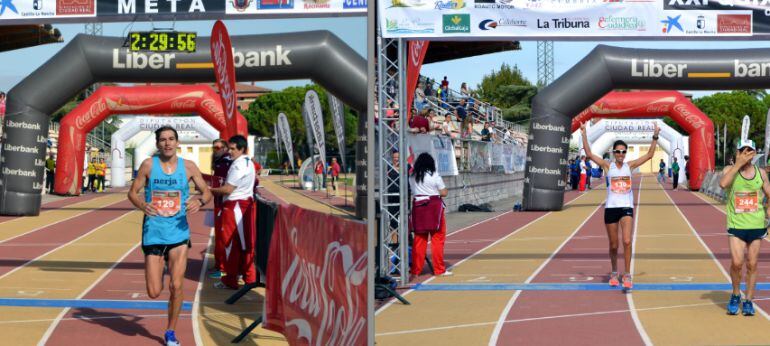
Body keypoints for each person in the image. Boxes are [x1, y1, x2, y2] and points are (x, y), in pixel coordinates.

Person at [127, 126, 212, 346]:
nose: (167, 143)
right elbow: (132, 192)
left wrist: (199, 201)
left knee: (177, 286)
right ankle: (160, 266)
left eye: (171, 139)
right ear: (157, 144)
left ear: (177, 142)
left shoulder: (189, 167)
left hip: (178, 232)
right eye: (163, 140)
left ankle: (171, 332)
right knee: (154, 292)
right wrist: (142, 205)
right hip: (154, 233)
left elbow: (207, 192)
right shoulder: (148, 165)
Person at [581, 122, 659, 290]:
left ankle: (628, 274)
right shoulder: (607, 166)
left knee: (627, 240)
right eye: (618, 151)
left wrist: (655, 135)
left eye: (623, 151)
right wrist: (583, 134)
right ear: (613, 152)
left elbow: (650, 154)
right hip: (610, 209)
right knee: (614, 245)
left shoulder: (629, 166)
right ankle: (614, 272)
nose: (621, 154)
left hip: (626, 208)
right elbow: (588, 153)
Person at [718, 139, 770, 316]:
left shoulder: (761, 173)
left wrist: (768, 209)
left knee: (752, 264)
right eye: (742, 150)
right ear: (738, 152)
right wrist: (737, 164)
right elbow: (723, 184)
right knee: (737, 263)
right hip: (736, 225)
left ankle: (748, 300)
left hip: (756, 224)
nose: (746, 153)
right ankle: (735, 294)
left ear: (754, 153)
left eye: (749, 150)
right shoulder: (729, 170)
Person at [210, 135, 258, 290]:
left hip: (236, 206)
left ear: (241, 149)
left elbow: (228, 189)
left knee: (232, 244)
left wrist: (209, 190)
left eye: (232, 149)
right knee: (243, 244)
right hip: (240, 205)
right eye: (228, 148)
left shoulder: (238, 165)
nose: (228, 151)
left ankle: (233, 280)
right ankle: (247, 277)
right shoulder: (246, 162)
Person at [409, 153, 451, 278]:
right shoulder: (434, 175)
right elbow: (444, 192)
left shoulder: (412, 176)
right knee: (437, 239)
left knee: (419, 239)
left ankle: (415, 270)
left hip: (418, 206)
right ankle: (439, 269)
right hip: (434, 208)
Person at [209, 139, 232, 279]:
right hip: (218, 202)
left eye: (219, 147)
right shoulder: (218, 161)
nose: (216, 149)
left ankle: (223, 267)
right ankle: (219, 264)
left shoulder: (227, 162)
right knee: (218, 237)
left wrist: (212, 188)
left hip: (225, 204)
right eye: (214, 147)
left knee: (222, 238)